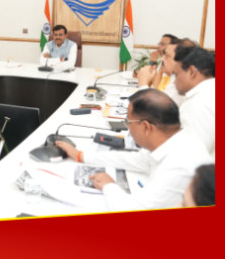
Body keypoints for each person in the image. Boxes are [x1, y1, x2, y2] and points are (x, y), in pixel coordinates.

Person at [55, 89, 211, 211]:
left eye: (128, 122)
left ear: (146, 127)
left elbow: (132, 209)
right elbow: (137, 159)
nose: (128, 128)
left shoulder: (179, 166)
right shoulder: (179, 139)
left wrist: (108, 185)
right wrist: (81, 155)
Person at [173, 45, 215, 158]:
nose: (174, 82)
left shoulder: (200, 104)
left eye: (176, 75)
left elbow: (192, 156)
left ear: (192, 72)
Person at [136, 37, 184, 106]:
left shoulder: (179, 85)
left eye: (167, 56)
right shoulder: (173, 76)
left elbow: (154, 109)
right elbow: (158, 89)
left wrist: (143, 83)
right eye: (159, 43)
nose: (159, 46)